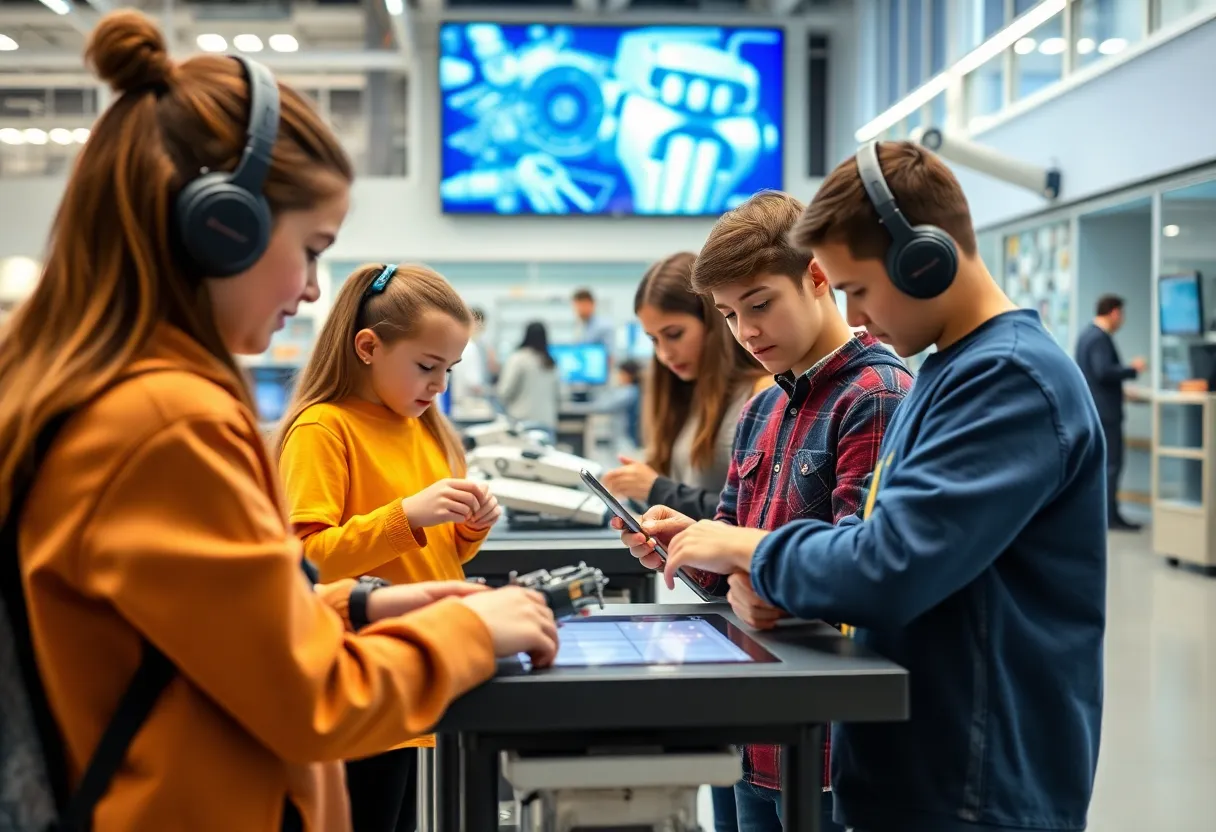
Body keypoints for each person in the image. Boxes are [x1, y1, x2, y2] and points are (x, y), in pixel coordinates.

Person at [0, 11, 558, 831]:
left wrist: (357, 609)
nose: (308, 291)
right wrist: (470, 632)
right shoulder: (163, 421)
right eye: (311, 248)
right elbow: (312, 700)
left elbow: (192, 637)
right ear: (222, 228)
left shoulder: (92, 390)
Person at [631, 143, 1107, 832]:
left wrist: (742, 546)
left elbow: (887, 564)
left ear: (924, 259)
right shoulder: (953, 373)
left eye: (855, 287)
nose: (854, 315)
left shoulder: (1006, 381)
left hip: (974, 784)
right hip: (916, 770)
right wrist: (715, 552)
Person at [616, 194, 911, 832]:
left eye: (760, 304)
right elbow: (725, 570)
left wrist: (759, 577)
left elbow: (862, 572)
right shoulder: (761, 411)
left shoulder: (876, 397)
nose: (746, 332)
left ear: (816, 277)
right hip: (750, 738)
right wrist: (682, 547)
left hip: (831, 750)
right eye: (728, 314)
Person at [276, 263, 504, 832]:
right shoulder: (323, 430)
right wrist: (408, 515)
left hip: (425, 674)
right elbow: (307, 561)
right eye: (427, 367)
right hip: (360, 682)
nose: (439, 386)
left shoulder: (423, 427)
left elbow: (432, 558)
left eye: (449, 369)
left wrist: (468, 527)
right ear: (368, 347)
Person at [602, 252, 768, 521]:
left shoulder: (761, 394)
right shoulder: (685, 395)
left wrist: (656, 489)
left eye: (674, 334)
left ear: (713, 321)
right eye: (654, 340)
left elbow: (752, 516)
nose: (664, 354)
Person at [1075, 294, 1146, 530]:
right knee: (1112, 465)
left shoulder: (1086, 336)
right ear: (1114, 312)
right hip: (1106, 414)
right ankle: (1109, 517)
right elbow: (1103, 372)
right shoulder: (1098, 338)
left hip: (1095, 410)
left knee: (1104, 465)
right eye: (1122, 314)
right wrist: (1132, 369)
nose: (1122, 319)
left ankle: (1106, 515)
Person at [497, 320, 560, 434]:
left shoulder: (517, 359)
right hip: (547, 424)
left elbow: (504, 392)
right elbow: (560, 394)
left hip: (521, 424)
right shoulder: (550, 362)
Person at [572, 287, 615, 358]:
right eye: (576, 306)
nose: (579, 310)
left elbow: (610, 355)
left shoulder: (603, 326)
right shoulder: (581, 326)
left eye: (582, 305)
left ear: (592, 305)